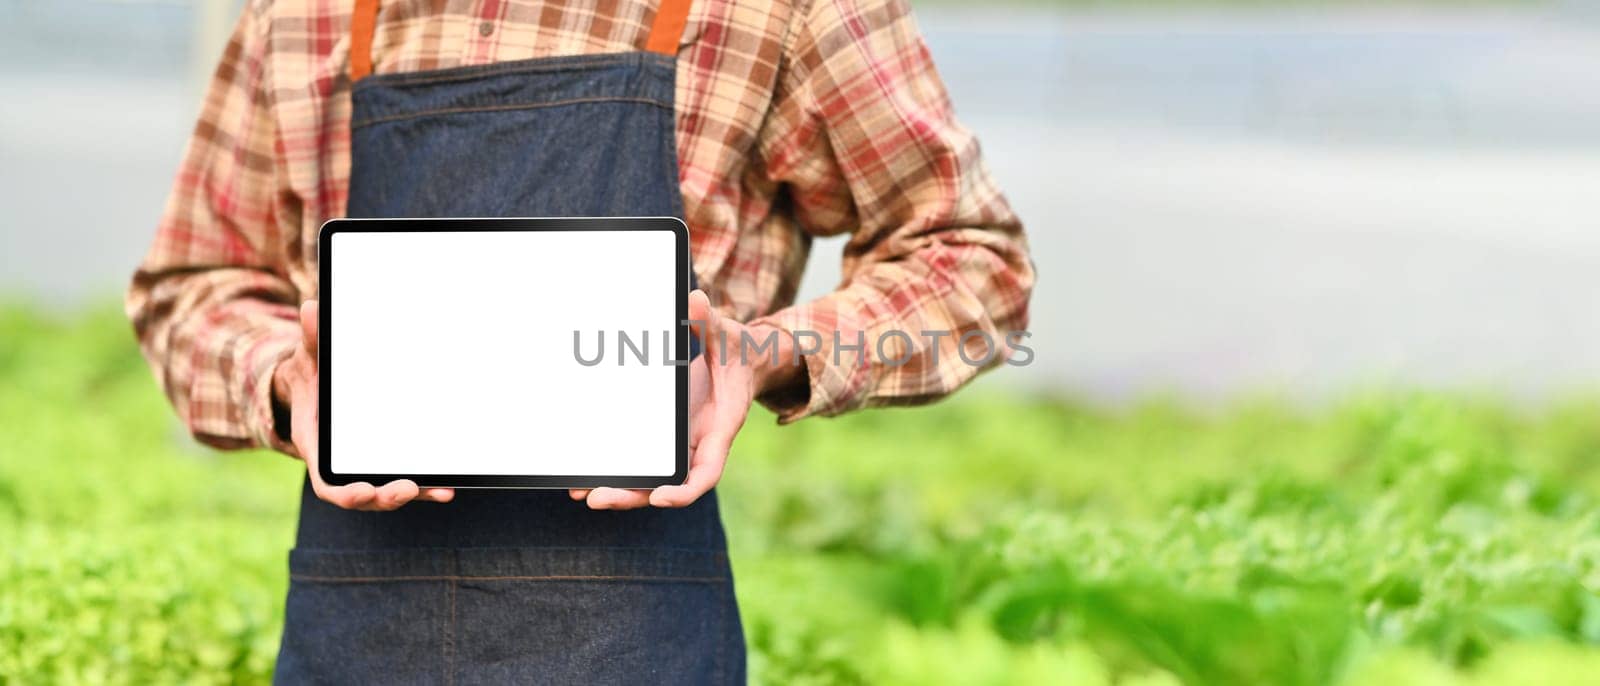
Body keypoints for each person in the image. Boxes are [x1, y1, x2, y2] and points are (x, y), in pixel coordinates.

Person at [127, 0, 1033, 682]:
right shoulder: (303, 12)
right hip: (353, 621)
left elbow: (974, 264)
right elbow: (188, 287)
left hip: (635, 634)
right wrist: (285, 378)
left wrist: (764, 355)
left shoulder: (772, 11)